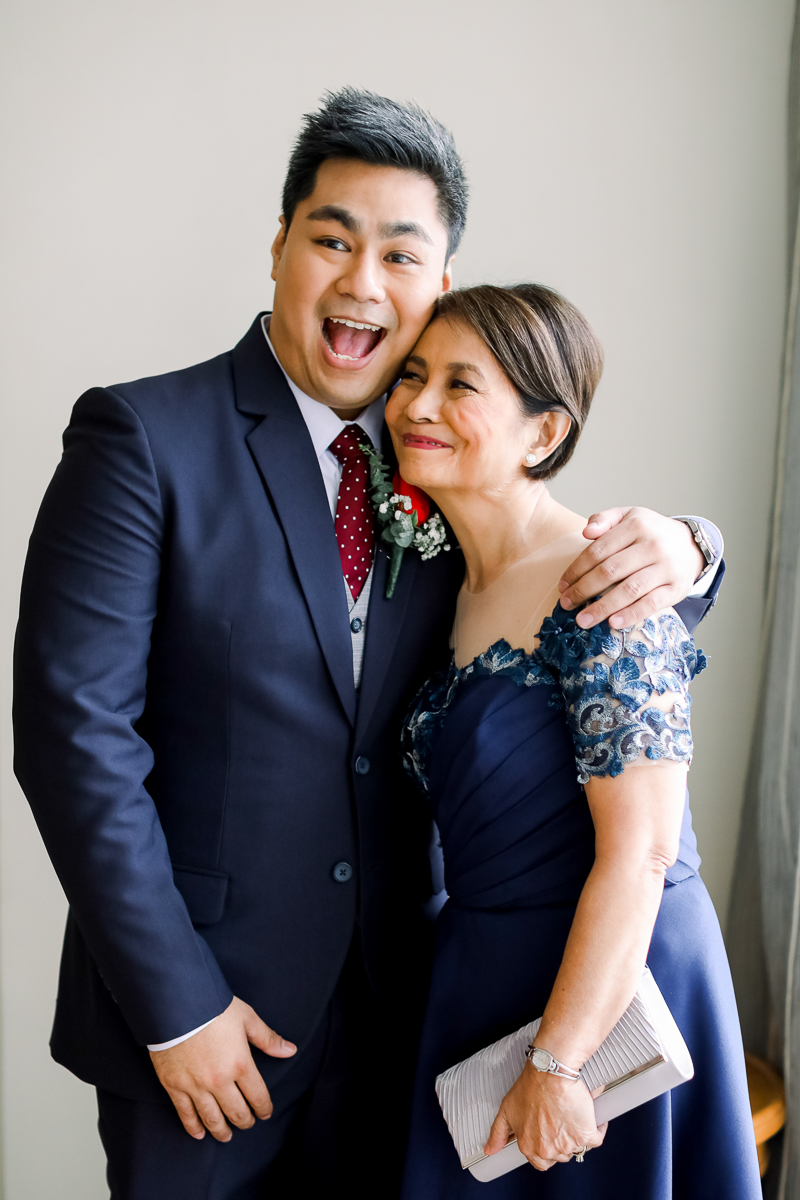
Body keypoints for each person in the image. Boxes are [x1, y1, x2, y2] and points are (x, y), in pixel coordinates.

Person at [13, 91, 724, 1200]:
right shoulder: (143, 437)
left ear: (439, 280)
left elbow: (571, 582)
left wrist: (692, 546)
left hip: (410, 1019)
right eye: (331, 240)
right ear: (278, 244)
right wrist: (178, 1007)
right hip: (212, 1027)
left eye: (400, 254)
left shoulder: (438, 451)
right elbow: (73, 739)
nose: (361, 283)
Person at [390, 283, 759, 1199]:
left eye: (460, 385)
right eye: (411, 376)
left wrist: (560, 1061)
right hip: (481, 983)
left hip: (613, 990)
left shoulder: (604, 584)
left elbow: (643, 853)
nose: (418, 405)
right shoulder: (438, 588)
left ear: (544, 433)